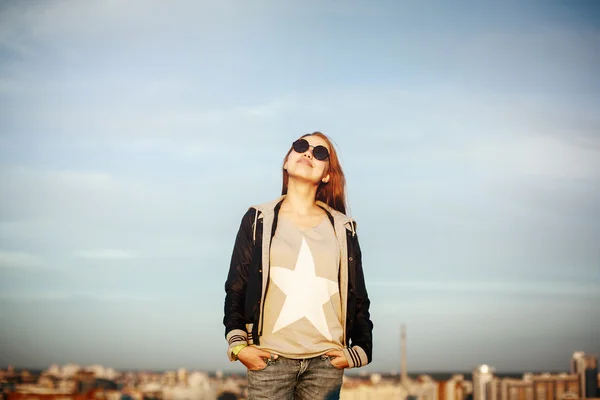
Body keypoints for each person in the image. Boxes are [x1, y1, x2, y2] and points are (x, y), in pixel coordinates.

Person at [223, 132, 373, 400]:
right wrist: (238, 347)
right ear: (286, 162)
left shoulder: (343, 228)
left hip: (325, 365)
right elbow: (237, 287)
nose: (308, 153)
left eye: (320, 153)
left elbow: (357, 295)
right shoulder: (258, 218)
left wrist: (360, 351)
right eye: (301, 146)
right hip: (269, 361)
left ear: (327, 174)